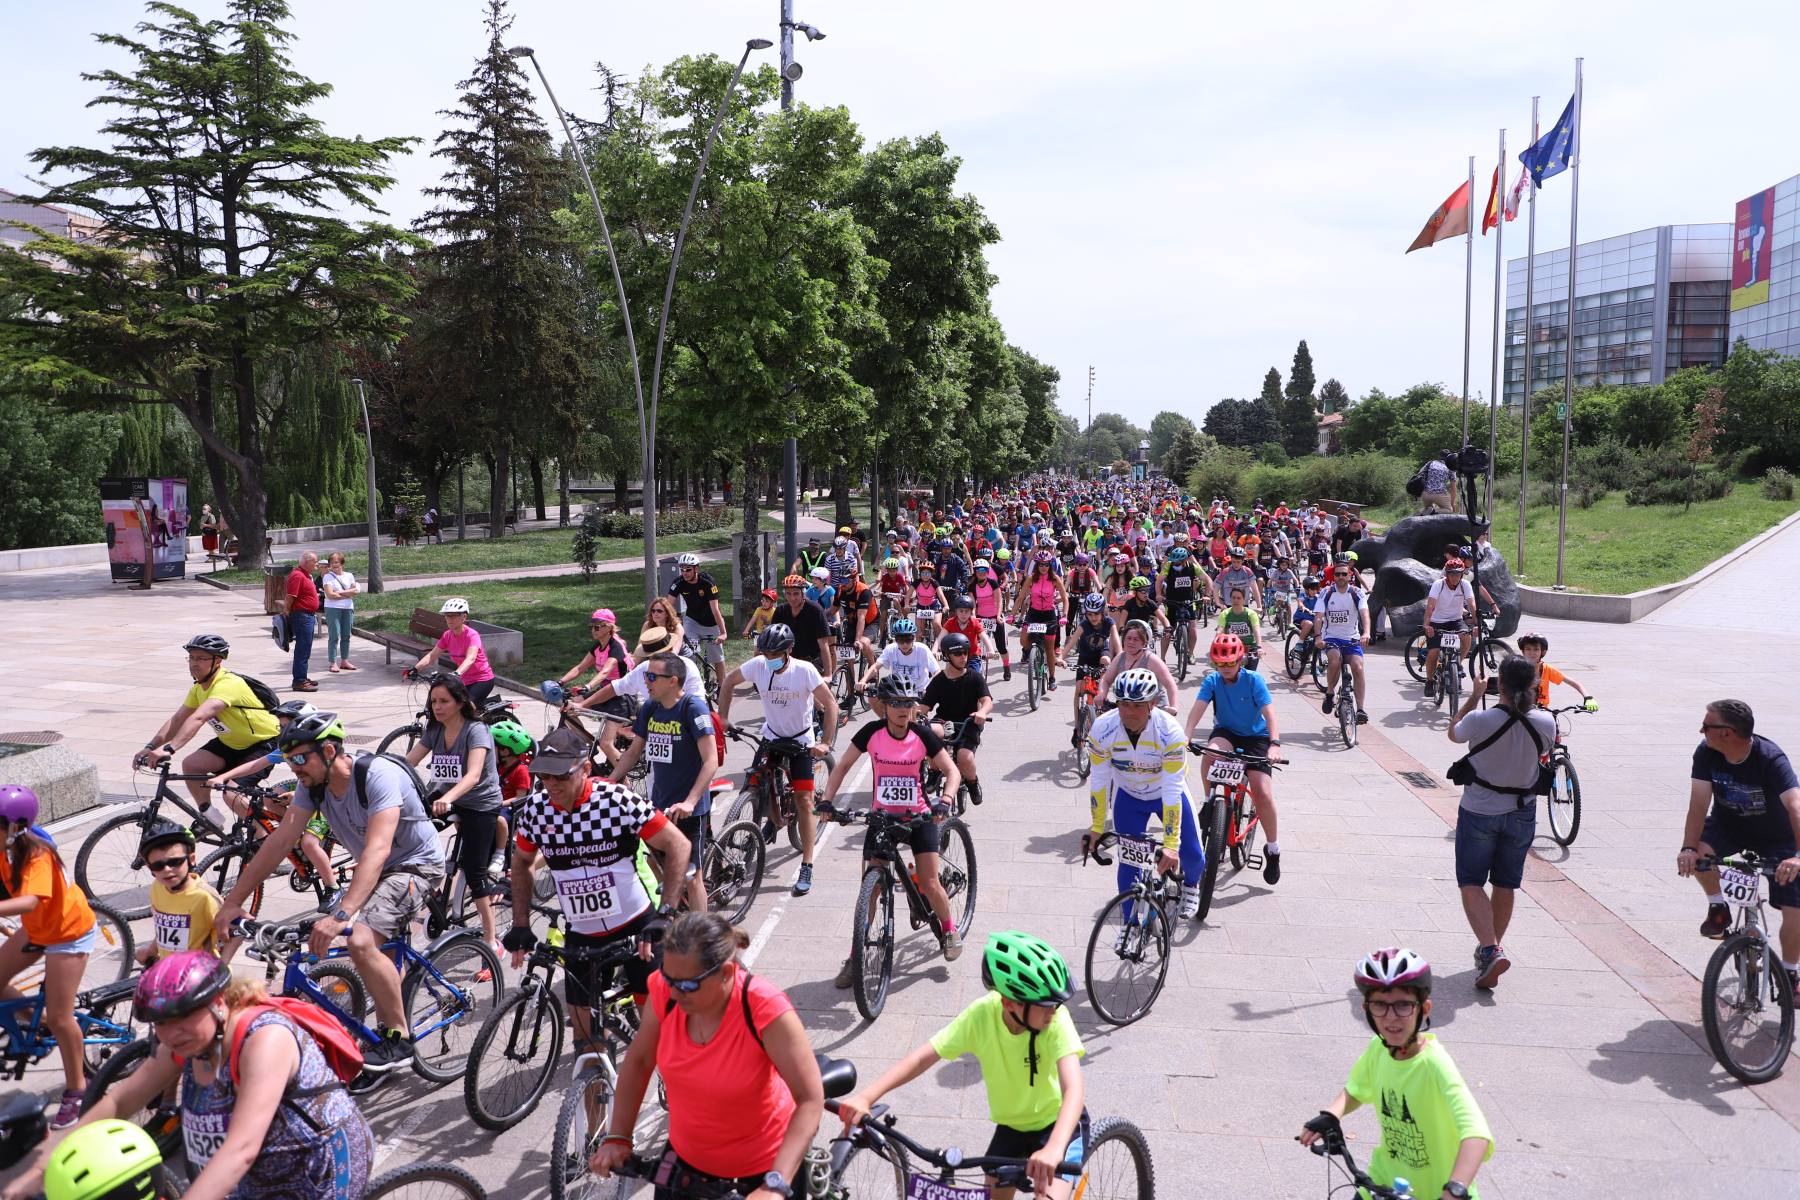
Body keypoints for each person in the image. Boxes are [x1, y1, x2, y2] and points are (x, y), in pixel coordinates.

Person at [10, 950, 374, 1200]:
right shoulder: (185, 1043)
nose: (170, 1034)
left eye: (183, 1016)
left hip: (319, 1171)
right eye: (161, 1023)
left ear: (218, 1003)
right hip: (255, 1180)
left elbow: (241, 1149)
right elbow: (120, 1100)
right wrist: (40, 1170)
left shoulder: (265, 1040)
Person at [214, 712, 445, 1073]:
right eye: (289, 761)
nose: (295, 769)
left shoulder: (378, 775)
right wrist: (231, 902)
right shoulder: (312, 785)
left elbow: (378, 848)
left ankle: (399, 1040)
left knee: (361, 941)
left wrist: (341, 914)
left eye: (301, 759)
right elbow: (279, 841)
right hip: (377, 870)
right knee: (374, 950)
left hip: (417, 864)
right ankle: (383, 1029)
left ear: (330, 750)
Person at [590, 913, 823, 1200]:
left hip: (763, 1170)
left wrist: (775, 1185)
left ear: (725, 973)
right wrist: (618, 1137)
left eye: (687, 985)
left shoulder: (764, 1007)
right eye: (667, 976)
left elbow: (811, 1100)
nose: (673, 992)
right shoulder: (667, 991)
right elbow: (638, 1062)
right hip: (685, 1165)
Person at [838, 932, 1087, 1200]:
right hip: (1011, 1127)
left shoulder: (1056, 1021)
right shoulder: (981, 1017)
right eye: (1044, 1005)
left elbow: (1073, 1089)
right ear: (1009, 1003)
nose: (1054, 1010)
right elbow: (922, 1057)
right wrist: (866, 1096)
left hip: (1059, 1125)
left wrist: (1055, 1147)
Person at [504, 724, 690, 1065]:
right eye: (543, 776)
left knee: (662, 1033)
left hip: (637, 928)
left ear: (585, 768)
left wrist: (666, 912)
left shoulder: (617, 801)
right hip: (582, 935)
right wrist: (519, 923)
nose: (551, 785)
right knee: (587, 1048)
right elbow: (523, 860)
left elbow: (678, 844)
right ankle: (592, 1111)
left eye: (560, 775)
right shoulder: (535, 811)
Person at [1299, 949, 1492, 1200]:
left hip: (1435, 1192)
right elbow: (1356, 1088)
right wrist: (1332, 1114)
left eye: (1403, 1005)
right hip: (1382, 1183)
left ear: (1424, 1009)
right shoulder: (1379, 1049)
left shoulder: (1434, 1064)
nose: (1391, 1017)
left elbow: (1476, 1134)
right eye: (1380, 1005)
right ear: (1366, 1009)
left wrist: (1455, 1189)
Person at [820, 676, 964, 983]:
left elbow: (952, 770)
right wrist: (827, 802)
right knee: (869, 890)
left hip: (919, 819)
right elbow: (843, 766)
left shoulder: (923, 735)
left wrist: (946, 800)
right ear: (884, 707)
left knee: (930, 882)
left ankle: (949, 930)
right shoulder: (871, 733)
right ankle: (855, 957)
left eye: (908, 703)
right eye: (896, 703)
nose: (903, 709)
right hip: (882, 819)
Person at [1446, 657, 1555, 990]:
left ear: (1500, 685)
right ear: (1534, 686)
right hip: (1522, 812)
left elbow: (1453, 733)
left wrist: (1472, 695)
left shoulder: (1481, 719)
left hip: (1480, 809)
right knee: (1505, 883)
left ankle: (1491, 949)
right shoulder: (1547, 722)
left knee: (1471, 882)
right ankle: (1489, 951)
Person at [1678, 700, 1800, 982]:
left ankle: (1792, 974)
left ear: (1727, 732)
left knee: (1795, 911)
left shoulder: (1769, 758)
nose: (1700, 730)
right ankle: (1718, 908)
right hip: (1729, 826)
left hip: (1777, 836)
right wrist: (1687, 847)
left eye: (1706, 726)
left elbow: (1795, 805)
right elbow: (1698, 803)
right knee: (1699, 852)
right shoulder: (1706, 753)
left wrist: (1797, 855)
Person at [717, 625, 840, 897]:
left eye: (775, 653)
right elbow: (728, 682)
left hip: (800, 742)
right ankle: (767, 817)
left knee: (805, 802)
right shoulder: (759, 665)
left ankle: (807, 863)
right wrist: (723, 717)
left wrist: (825, 743)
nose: (769, 657)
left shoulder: (804, 671)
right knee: (753, 783)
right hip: (771, 737)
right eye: (766, 651)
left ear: (788, 651)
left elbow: (831, 705)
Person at [0, 785, 96, 1127]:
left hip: (68, 933)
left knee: (60, 1017)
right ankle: (34, 1023)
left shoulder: (38, 854)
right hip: (38, 928)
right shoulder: (4, 847)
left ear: (15, 828)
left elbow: (29, 901)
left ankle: (76, 1090)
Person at [1083, 670, 1205, 919]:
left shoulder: (1170, 732)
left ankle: (1192, 886)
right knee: (1128, 864)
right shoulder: (1103, 727)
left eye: (1137, 705)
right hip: (1128, 795)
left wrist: (1171, 845)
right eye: (1123, 704)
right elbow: (1099, 780)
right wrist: (1096, 826)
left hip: (1165, 793)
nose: (1128, 712)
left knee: (1192, 854)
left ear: (1152, 704)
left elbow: (1172, 790)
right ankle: (1130, 928)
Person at [609, 652, 720, 912]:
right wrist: (610, 780)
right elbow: (634, 751)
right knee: (653, 864)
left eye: (651, 676)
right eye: (646, 675)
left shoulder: (692, 708)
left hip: (689, 809)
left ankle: (700, 935)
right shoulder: (650, 708)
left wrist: (690, 802)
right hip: (658, 805)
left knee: (693, 877)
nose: (645, 681)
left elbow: (711, 760)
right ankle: (674, 909)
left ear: (672, 681)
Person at [405, 674, 505, 956]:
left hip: (479, 802)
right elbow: (410, 762)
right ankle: (434, 886)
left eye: (444, 701)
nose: (437, 707)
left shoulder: (476, 730)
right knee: (408, 836)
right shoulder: (434, 730)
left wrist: (448, 799)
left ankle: (490, 939)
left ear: (461, 702)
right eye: (434, 701)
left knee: (474, 871)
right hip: (446, 798)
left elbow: (473, 775)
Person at [134, 635, 279, 822]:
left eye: (201, 658)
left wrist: (170, 748)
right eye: (191, 658)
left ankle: (264, 839)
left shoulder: (228, 684)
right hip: (231, 743)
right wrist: (150, 746)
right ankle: (209, 817)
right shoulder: (199, 688)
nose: (194, 663)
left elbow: (199, 717)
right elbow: (177, 720)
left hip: (262, 743)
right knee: (191, 765)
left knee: (231, 794)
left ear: (217, 661)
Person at [1184, 633, 1284, 885]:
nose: (1226, 668)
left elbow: (1270, 713)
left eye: (1230, 663)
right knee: (1210, 753)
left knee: (1262, 792)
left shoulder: (1254, 681)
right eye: (1221, 663)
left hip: (1256, 737)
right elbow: (1198, 708)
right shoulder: (1212, 681)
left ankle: (1273, 849)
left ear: (1240, 660)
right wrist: (1185, 735)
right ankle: (1210, 803)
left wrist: (1274, 744)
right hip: (1227, 732)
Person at [136, 821, 235, 965]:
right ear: (149, 867)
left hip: (200, 976)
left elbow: (234, 931)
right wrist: (151, 951)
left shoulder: (204, 896)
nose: (167, 869)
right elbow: (165, 929)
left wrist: (221, 967)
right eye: (158, 865)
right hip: (169, 971)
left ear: (191, 859)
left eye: (175, 862)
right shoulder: (157, 888)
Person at [920, 632, 994, 808]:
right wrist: (911, 715)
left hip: (969, 721)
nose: (963, 657)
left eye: (965, 653)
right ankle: (934, 770)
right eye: (958, 654)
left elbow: (987, 701)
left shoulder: (975, 677)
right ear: (947, 656)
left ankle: (972, 783)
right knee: (931, 732)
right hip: (944, 720)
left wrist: (982, 712)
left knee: (964, 757)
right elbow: (924, 708)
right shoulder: (938, 680)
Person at [408, 597, 497, 707]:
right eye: (446, 615)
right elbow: (432, 655)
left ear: (463, 617)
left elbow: (471, 658)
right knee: (445, 705)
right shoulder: (447, 635)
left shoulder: (472, 635)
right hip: (463, 680)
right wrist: (415, 668)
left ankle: (477, 724)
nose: (449, 619)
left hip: (482, 680)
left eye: (453, 615)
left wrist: (456, 673)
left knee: (466, 709)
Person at [1316, 555, 1371, 725]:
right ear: (1334, 576)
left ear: (1349, 576)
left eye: (1344, 574)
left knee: (1358, 667)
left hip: (1351, 638)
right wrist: (1318, 636)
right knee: (1334, 660)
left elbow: (1364, 614)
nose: (1341, 577)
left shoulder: (1356, 592)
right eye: (1338, 574)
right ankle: (1330, 693)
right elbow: (1318, 617)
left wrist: (1366, 632)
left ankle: (1361, 709)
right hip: (1331, 637)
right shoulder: (1327, 592)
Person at [858, 617, 939, 718]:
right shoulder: (891, 649)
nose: (904, 644)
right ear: (895, 639)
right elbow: (876, 667)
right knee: (873, 697)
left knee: (916, 721)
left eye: (908, 640)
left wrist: (929, 689)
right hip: (898, 692)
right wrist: (863, 680)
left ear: (914, 638)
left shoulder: (922, 649)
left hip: (919, 692)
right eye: (900, 640)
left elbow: (936, 672)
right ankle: (887, 723)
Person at [1012, 553, 1068, 692]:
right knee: (1023, 640)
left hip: (1049, 615)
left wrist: (1064, 616)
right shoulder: (1031, 579)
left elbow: (1065, 598)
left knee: (1049, 649)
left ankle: (1052, 678)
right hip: (1034, 613)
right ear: (1037, 565)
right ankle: (1033, 654)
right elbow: (1021, 597)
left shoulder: (1055, 579)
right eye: (1041, 564)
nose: (1044, 567)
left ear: (1050, 565)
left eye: (1046, 564)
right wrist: (1012, 615)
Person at [1095, 620, 1178, 714]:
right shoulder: (1119, 658)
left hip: (1154, 709)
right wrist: (1101, 694)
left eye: (1136, 639)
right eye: (1128, 638)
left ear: (1144, 643)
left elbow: (1170, 684)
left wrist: (1173, 707)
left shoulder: (1152, 660)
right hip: (1126, 709)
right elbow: (1106, 680)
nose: (1131, 642)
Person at [670, 553, 729, 683]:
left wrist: (723, 633)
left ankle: (721, 686)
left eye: (688, 569)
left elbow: (715, 610)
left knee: (717, 658)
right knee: (690, 653)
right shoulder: (679, 583)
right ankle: (693, 681)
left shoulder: (708, 582)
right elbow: (668, 607)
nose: (685, 573)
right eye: (682, 570)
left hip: (711, 624)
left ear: (696, 568)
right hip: (692, 622)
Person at [1421, 559, 1475, 699]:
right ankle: (1429, 681)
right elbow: (1430, 606)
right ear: (1446, 574)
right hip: (1437, 621)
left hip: (1455, 620)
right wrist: (1427, 625)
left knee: (1466, 636)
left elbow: (1472, 605)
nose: (1455, 577)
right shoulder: (1438, 585)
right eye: (1451, 574)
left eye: (1458, 574)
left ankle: (1457, 664)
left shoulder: (1465, 585)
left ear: (1462, 574)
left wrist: (1477, 625)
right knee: (1434, 651)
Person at [560, 608, 634, 698]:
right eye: (592, 627)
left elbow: (605, 672)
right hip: (606, 688)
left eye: (597, 627)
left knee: (578, 705)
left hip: (622, 692)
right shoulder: (598, 645)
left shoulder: (616, 646)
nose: (593, 630)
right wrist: (561, 682)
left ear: (609, 627)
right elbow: (580, 668)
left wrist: (588, 686)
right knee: (575, 703)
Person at [1514, 633, 1596, 712]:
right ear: (1523, 651)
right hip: (1521, 712)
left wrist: (1588, 697)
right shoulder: (1517, 669)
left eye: (1536, 649)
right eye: (1528, 649)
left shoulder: (1547, 669)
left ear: (1543, 652)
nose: (1532, 653)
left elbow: (1574, 683)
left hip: (1542, 713)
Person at [284, 551, 321, 692]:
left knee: (305, 649)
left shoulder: (305, 575)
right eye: (315, 562)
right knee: (302, 649)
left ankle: (302, 677)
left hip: (307, 616)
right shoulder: (297, 575)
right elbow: (290, 596)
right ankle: (299, 681)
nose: (316, 565)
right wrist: (286, 612)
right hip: (302, 617)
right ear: (306, 562)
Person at [318, 552, 359, 675]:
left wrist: (339, 593)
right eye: (331, 563)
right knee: (334, 635)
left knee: (346, 635)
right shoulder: (327, 577)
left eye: (336, 562)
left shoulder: (349, 575)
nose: (334, 565)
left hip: (348, 608)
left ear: (342, 563)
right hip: (332, 608)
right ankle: (333, 662)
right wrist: (346, 593)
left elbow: (355, 592)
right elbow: (330, 595)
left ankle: (344, 661)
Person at [1213, 586, 1262, 672]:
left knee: (1250, 675)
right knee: (1224, 673)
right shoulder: (1225, 614)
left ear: (1244, 600)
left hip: (1250, 648)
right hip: (1231, 648)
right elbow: (1220, 631)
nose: (1236, 600)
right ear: (1230, 599)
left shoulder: (1251, 614)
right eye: (1233, 597)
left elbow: (1256, 631)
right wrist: (1215, 646)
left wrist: (1259, 647)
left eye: (1239, 598)